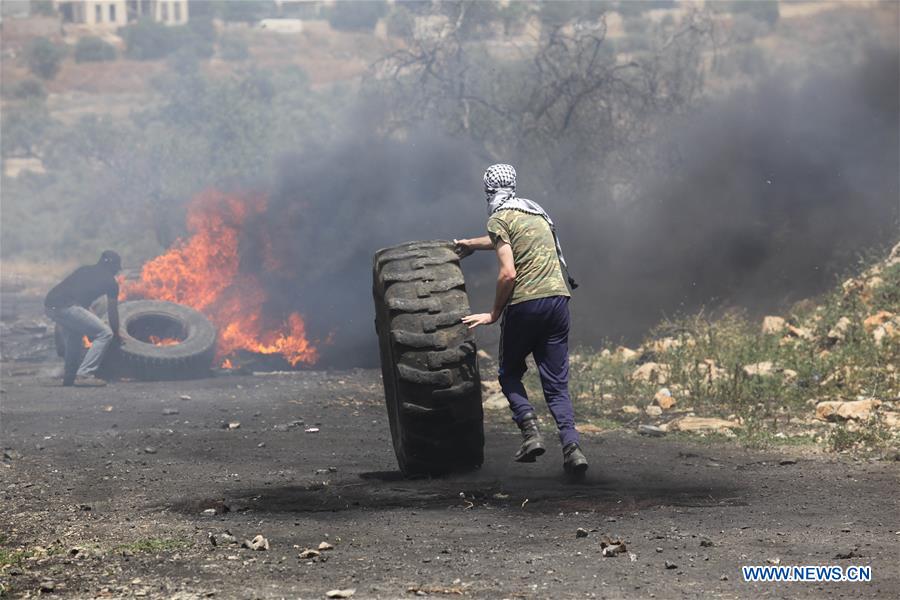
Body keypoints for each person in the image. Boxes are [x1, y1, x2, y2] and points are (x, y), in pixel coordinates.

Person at [454, 164, 588, 476]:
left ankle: (530, 434)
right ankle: (572, 448)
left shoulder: (499, 217)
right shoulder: (536, 213)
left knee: (509, 373)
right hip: (558, 301)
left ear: (489, 192)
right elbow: (507, 239)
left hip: (526, 305)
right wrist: (471, 244)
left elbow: (508, 272)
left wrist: (494, 313)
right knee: (556, 385)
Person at [44, 250, 122, 387]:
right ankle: (85, 374)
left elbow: (74, 292)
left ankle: (69, 378)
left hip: (50, 305)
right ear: (114, 266)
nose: (117, 271)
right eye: (116, 268)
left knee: (75, 335)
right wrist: (116, 333)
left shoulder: (85, 269)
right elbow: (113, 312)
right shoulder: (111, 282)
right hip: (67, 306)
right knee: (105, 333)